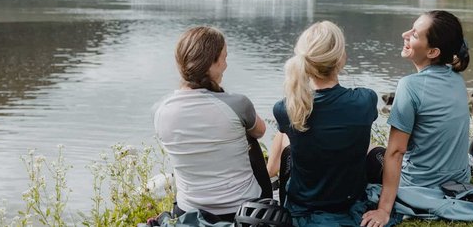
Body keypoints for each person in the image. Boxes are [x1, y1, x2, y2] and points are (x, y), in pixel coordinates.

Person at [361, 10, 471, 227]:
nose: (405, 34)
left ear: (432, 52)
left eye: (414, 34)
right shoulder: (457, 79)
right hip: (458, 183)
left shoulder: (409, 86)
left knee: (367, 150)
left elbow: (395, 152)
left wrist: (384, 210)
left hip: (420, 185)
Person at [152, 26, 272, 222]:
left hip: (187, 210)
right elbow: (260, 131)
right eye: (224, 58)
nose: (226, 65)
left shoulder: (160, 111)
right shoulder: (237, 103)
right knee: (248, 134)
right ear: (212, 64)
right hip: (244, 210)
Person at [271, 21, 378, 226]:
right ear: (341, 59)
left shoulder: (284, 108)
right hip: (348, 203)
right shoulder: (366, 100)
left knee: (286, 137)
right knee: (371, 147)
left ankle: (270, 170)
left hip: (301, 206)